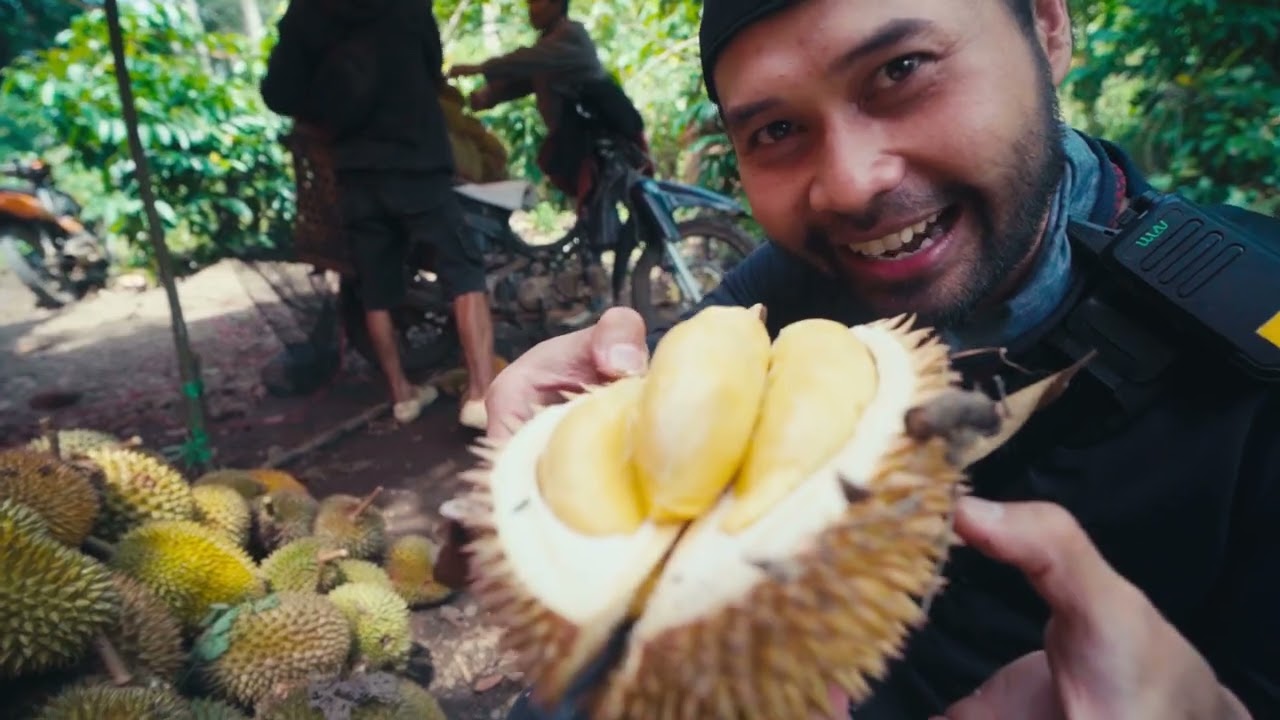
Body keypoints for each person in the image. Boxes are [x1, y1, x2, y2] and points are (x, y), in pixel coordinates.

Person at [480, 0, 1280, 718]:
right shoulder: (791, 287)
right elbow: (676, 415)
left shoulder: (1254, 329)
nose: (852, 184)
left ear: (1047, 26)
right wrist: (577, 428)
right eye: (777, 132)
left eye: (901, 71)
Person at [261, 0, 499, 430]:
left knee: (375, 287)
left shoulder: (306, 13)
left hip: (354, 170)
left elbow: (278, 93)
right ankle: (481, 395)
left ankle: (401, 394)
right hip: (417, 159)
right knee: (464, 271)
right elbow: (431, 68)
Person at [446, 0, 649, 210]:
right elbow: (526, 79)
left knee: (605, 195)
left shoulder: (570, 34)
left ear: (557, 4)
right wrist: (488, 97)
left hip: (603, 134)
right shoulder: (548, 42)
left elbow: (526, 61)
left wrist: (477, 69)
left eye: (537, 1)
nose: (531, 8)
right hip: (577, 137)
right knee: (583, 193)